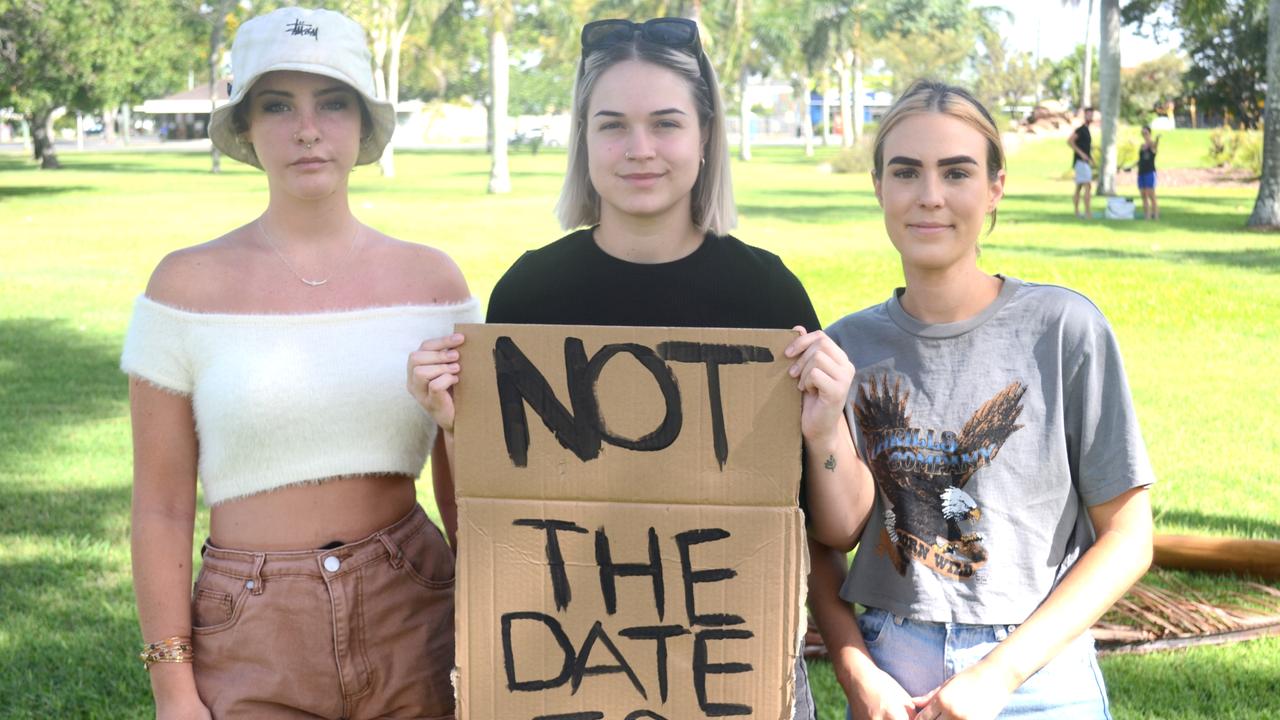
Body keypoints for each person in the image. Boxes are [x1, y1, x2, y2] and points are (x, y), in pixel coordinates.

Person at [407, 17, 869, 720]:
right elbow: (490, 526)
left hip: (733, 679)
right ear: (584, 139)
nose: (640, 150)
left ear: (705, 135)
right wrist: (454, 424)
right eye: (612, 125)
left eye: (666, 123)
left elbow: (840, 529)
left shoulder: (766, 295)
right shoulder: (531, 294)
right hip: (569, 677)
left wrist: (825, 430)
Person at [121, 8, 477, 719]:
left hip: (413, 604)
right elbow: (160, 509)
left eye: (332, 103)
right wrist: (172, 688)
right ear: (247, 128)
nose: (307, 128)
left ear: (362, 126)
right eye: (278, 105)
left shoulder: (435, 283)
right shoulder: (183, 288)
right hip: (250, 625)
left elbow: (472, 495)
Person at [814, 80, 1155, 720]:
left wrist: (1000, 674)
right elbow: (821, 540)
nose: (930, 196)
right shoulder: (845, 350)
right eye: (906, 171)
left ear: (995, 187)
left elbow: (1129, 538)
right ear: (879, 187)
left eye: (957, 172)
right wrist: (856, 669)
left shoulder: (1064, 330)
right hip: (895, 672)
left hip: (1040, 673)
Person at [1068, 107, 1095, 219]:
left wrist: (1090, 157)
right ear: (1085, 115)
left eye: (1091, 115)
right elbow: (1070, 141)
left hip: (1085, 162)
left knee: (1079, 187)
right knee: (1087, 186)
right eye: (1088, 114)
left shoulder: (1087, 130)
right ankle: (1087, 213)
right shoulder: (1081, 129)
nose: (1090, 117)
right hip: (1080, 162)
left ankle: (1077, 212)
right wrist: (1082, 154)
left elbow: (1085, 147)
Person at [1137, 125, 1160, 220]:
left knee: (1151, 194)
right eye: (1142, 133)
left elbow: (1155, 147)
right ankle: (1147, 215)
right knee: (1143, 195)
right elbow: (1140, 159)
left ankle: (1156, 215)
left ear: (1149, 134)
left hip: (1150, 172)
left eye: (1146, 133)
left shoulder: (1152, 145)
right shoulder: (1142, 146)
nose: (1144, 135)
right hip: (1141, 172)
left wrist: (1157, 139)